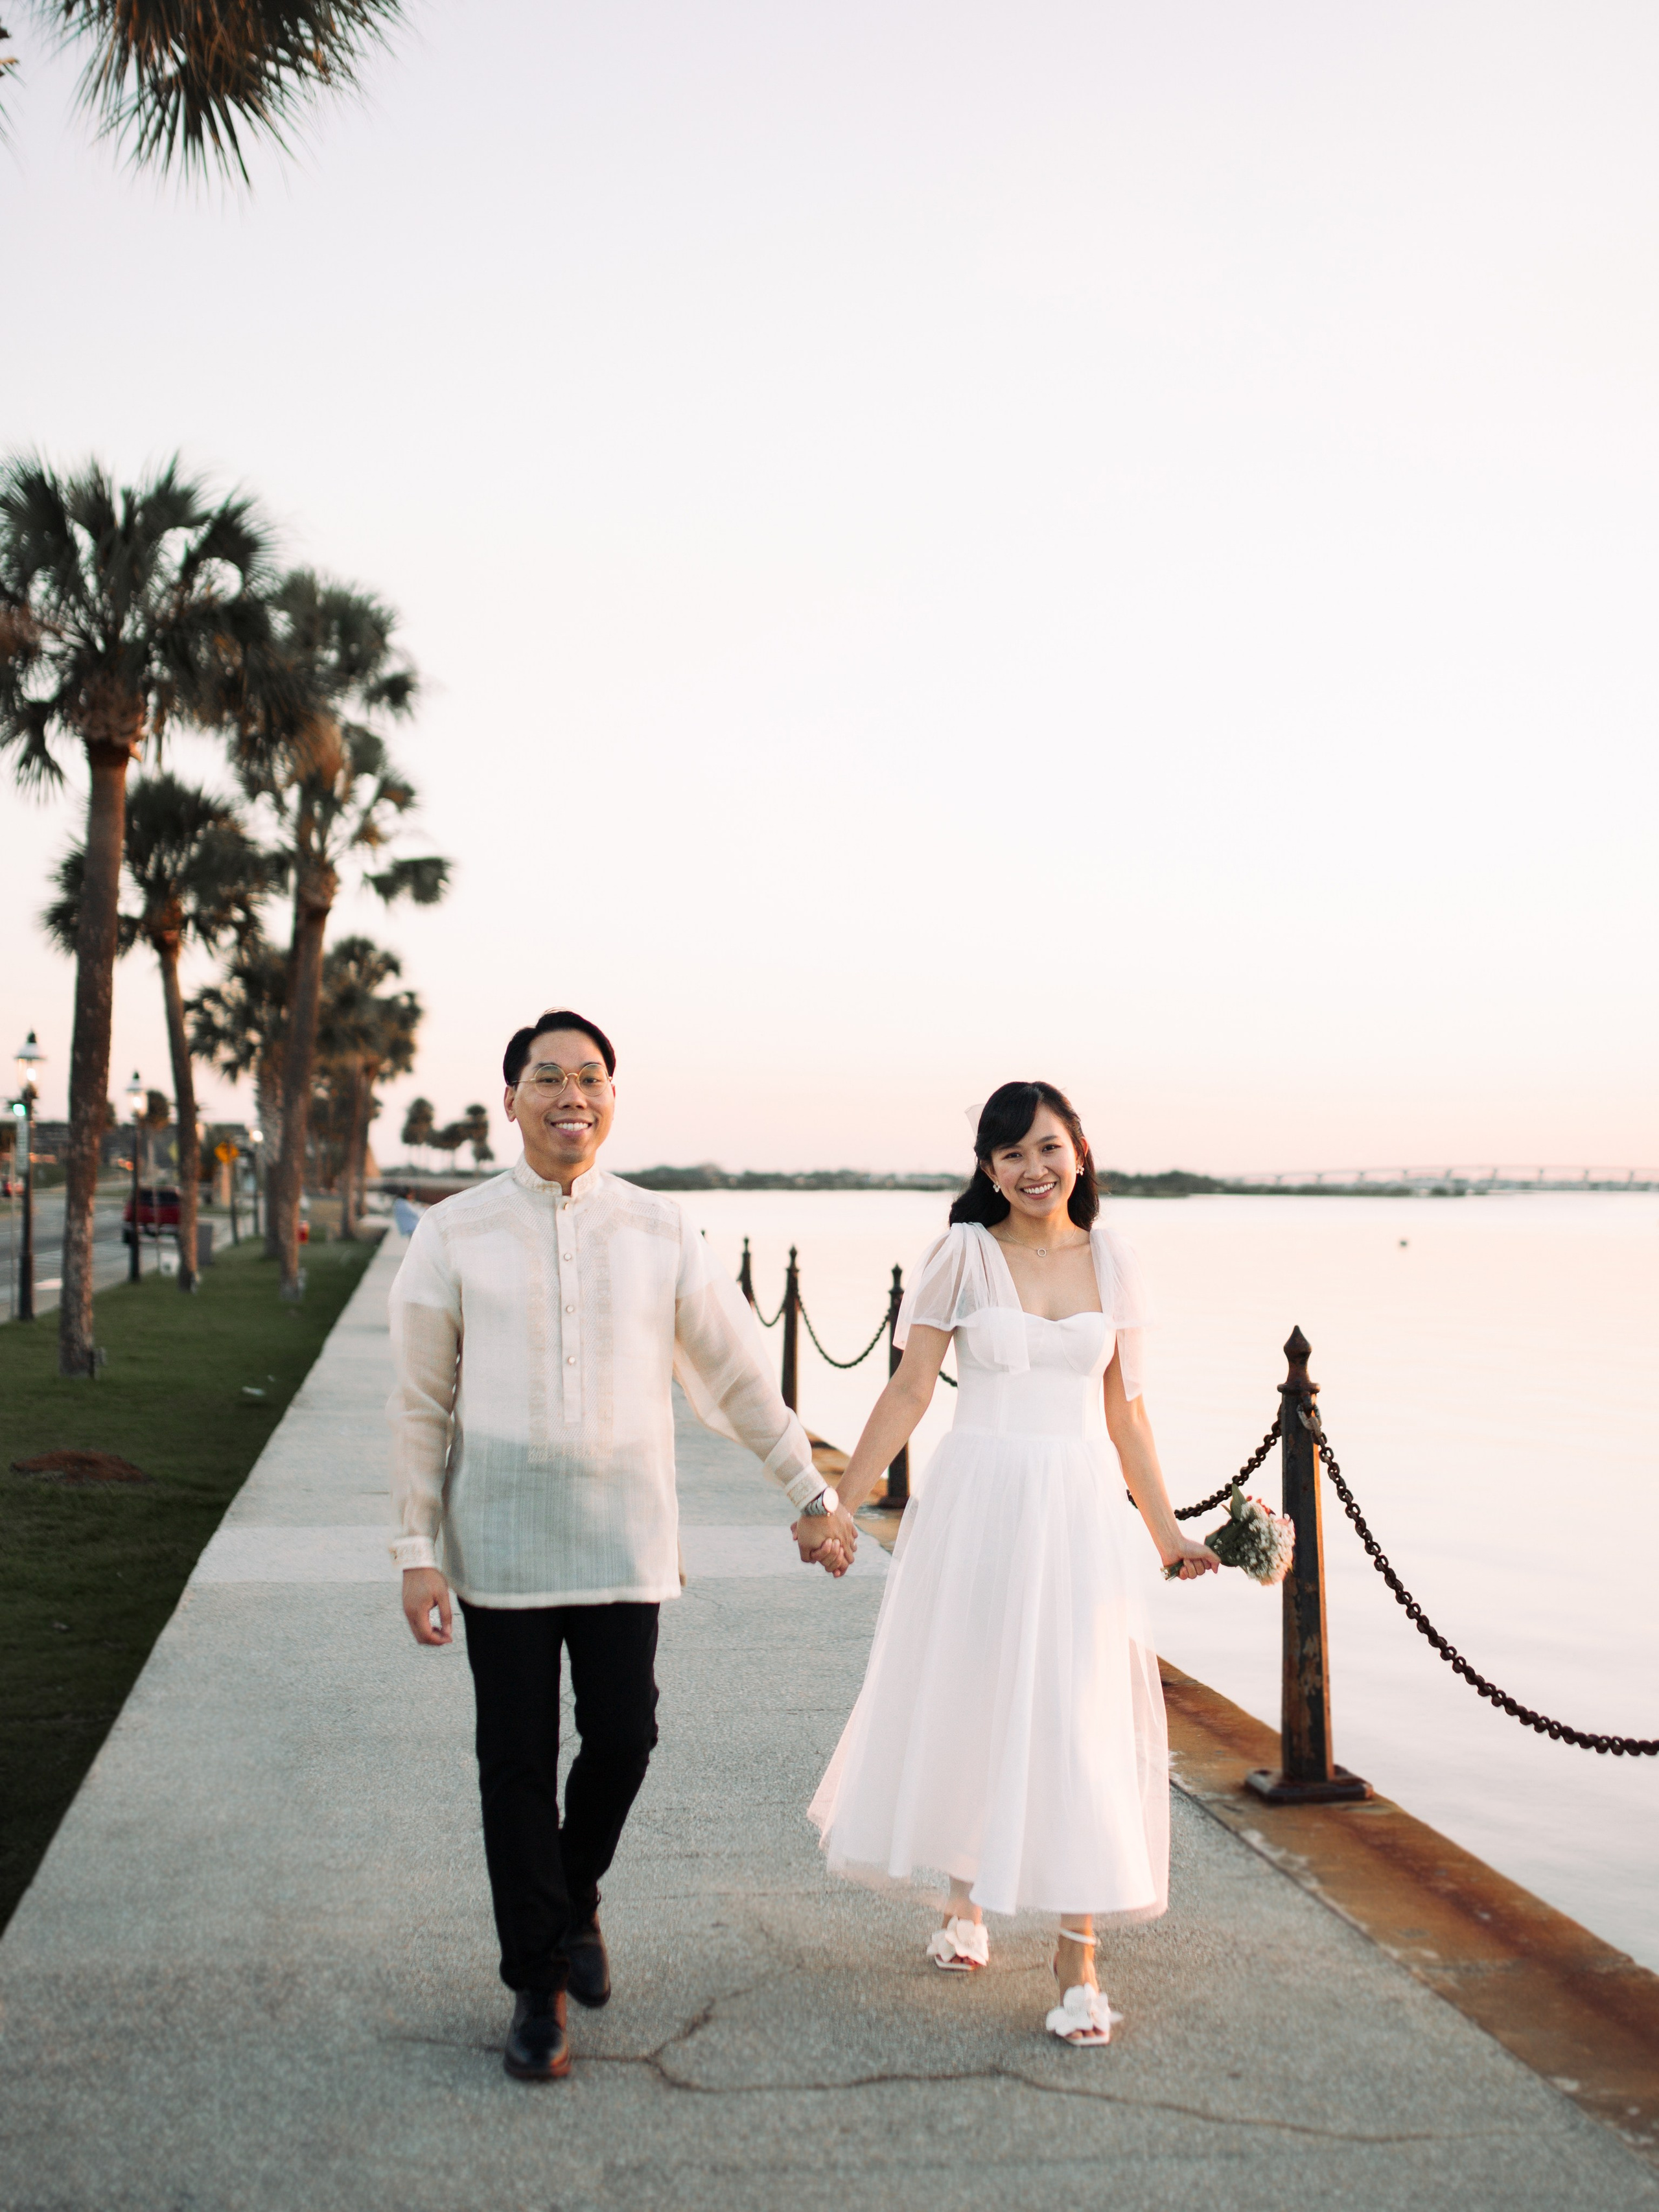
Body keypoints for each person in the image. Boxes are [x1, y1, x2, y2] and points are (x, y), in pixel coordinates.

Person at [388, 1010, 859, 2082]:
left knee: (626, 1738)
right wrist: (416, 1545)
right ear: (509, 1099)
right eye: (547, 1077)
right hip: (498, 1543)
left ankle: (571, 1892)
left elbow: (741, 1372)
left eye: (590, 1077)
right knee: (512, 1764)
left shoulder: (659, 1229)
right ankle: (536, 1987)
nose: (571, 1096)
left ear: (612, 1097)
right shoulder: (455, 1234)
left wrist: (811, 1492)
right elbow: (418, 1402)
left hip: (624, 1536)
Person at [807, 1080, 1217, 2046]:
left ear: (1078, 1146)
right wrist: (842, 1504)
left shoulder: (1114, 1260)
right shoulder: (963, 1253)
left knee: (1076, 1714)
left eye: (1046, 1147)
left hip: (1075, 1509)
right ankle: (966, 1901)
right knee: (974, 1694)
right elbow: (911, 1388)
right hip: (977, 1500)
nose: (1033, 1170)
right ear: (986, 1169)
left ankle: (1079, 1963)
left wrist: (1168, 1534)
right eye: (1009, 1155)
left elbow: (1127, 1414)